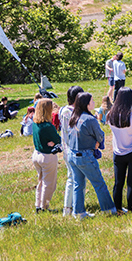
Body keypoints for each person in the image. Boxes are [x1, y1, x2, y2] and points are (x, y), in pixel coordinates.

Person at [65, 92, 118, 219]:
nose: (94, 103)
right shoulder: (90, 119)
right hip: (85, 156)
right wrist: (97, 143)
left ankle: (78, 213)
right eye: (92, 100)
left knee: (78, 184)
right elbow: (100, 135)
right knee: (99, 183)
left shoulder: (73, 116)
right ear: (86, 104)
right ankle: (109, 210)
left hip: (72, 155)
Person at [108, 87, 132, 214]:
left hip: (117, 152)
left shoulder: (110, 116)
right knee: (131, 182)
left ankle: (117, 208)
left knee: (118, 183)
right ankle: (130, 208)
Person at [31, 98, 61, 213]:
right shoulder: (48, 126)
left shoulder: (35, 122)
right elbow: (58, 140)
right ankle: (44, 207)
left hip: (36, 154)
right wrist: (55, 142)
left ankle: (38, 205)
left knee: (41, 182)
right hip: (47, 156)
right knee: (49, 184)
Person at [59, 85, 83, 216]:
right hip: (73, 150)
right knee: (76, 180)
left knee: (72, 178)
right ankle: (73, 208)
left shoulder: (63, 110)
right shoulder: (71, 112)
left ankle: (68, 208)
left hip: (66, 149)